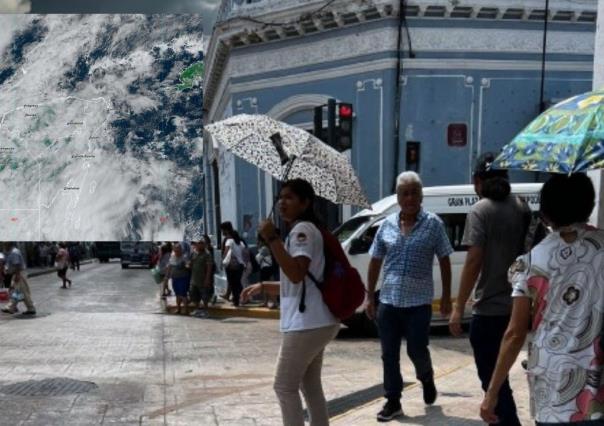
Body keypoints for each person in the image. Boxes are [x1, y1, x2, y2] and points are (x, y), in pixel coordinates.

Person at [480, 173, 604, 426]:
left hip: (552, 386)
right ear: (590, 205)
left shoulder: (531, 261)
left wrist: (491, 394)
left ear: (546, 213)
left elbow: (514, 334)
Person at [241, 179, 340, 426]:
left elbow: (296, 273)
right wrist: (264, 286)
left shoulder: (301, 231)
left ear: (305, 203)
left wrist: (272, 238)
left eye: (290, 198)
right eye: (280, 197)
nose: (282, 202)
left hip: (308, 323)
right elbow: (297, 283)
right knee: (310, 386)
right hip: (318, 320)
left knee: (283, 386)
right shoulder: (304, 230)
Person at [449, 153, 532, 426]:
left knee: (493, 382)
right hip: (518, 306)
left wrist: (458, 306)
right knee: (503, 376)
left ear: (477, 181)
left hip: (489, 310)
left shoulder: (480, 210)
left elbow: (474, 261)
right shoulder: (521, 207)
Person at [366, 171, 453, 422]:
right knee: (388, 353)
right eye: (405, 193)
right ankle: (393, 401)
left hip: (418, 302)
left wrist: (447, 296)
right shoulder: (387, 225)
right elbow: (375, 261)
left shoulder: (433, 224)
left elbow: (445, 259)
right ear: (398, 197)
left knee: (417, 348)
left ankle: (426, 376)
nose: (410, 197)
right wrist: (370, 296)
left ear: (421, 195)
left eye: (415, 192)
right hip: (389, 300)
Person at [1, 243, 35, 315]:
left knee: (21, 291)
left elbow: (17, 265)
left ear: (8, 244)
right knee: (17, 291)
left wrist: (17, 275)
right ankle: (13, 307)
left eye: (4, 244)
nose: (3, 245)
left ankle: (13, 307)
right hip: (16, 273)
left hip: (19, 273)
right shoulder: (9, 251)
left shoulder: (14, 252)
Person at [221, 223, 246, 307]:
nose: (222, 233)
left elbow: (226, 252)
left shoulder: (229, 241)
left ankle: (237, 301)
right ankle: (243, 297)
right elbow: (245, 253)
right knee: (237, 283)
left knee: (233, 283)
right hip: (240, 264)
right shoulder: (240, 242)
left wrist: (224, 261)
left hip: (231, 265)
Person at [189, 239, 214, 318]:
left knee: (205, 297)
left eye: (202, 243)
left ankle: (206, 311)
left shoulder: (207, 254)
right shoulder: (193, 253)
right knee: (194, 296)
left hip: (203, 279)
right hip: (194, 279)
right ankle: (197, 310)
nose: (200, 245)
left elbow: (209, 267)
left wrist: (207, 279)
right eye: (199, 243)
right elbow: (191, 264)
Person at [165, 242, 191, 315]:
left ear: (181, 250)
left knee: (183, 294)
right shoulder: (172, 256)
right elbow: (169, 266)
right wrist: (167, 276)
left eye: (178, 250)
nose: (176, 252)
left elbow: (188, 265)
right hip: (175, 278)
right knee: (177, 294)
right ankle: (178, 308)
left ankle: (186, 310)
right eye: (175, 250)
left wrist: (187, 265)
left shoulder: (184, 257)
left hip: (183, 278)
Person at [256, 235, 278, 308]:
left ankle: (272, 302)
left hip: (266, 269)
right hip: (267, 268)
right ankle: (266, 301)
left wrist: (258, 250)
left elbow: (258, 259)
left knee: (267, 286)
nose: (257, 242)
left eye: (258, 241)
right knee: (266, 286)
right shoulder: (266, 248)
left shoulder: (264, 248)